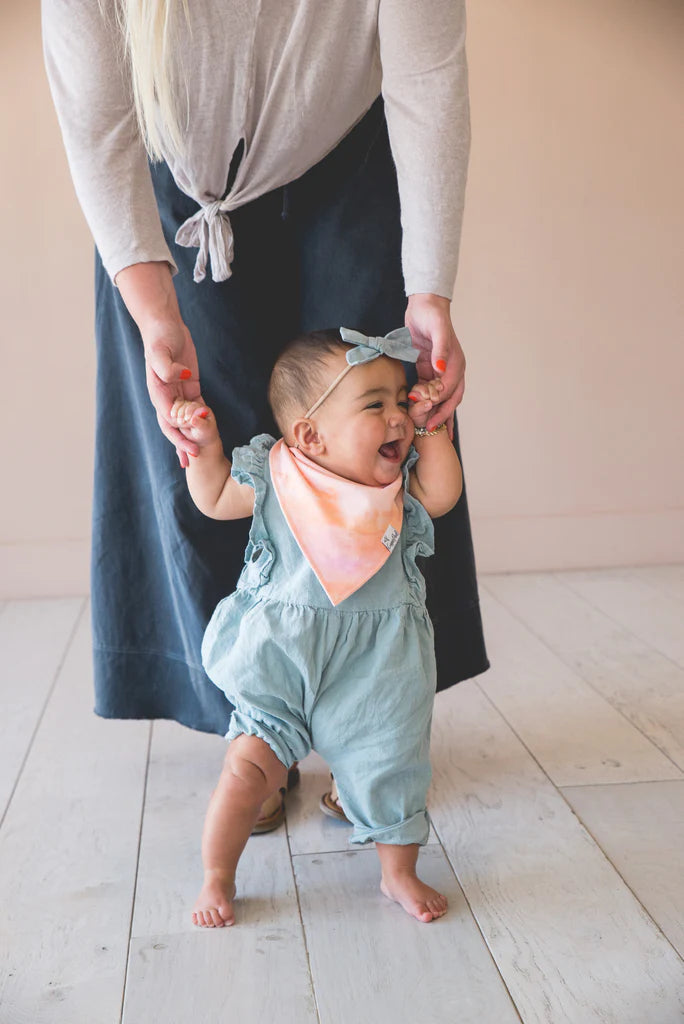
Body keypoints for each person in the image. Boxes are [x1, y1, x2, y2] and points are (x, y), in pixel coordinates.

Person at [42, 0, 489, 828]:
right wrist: (153, 315)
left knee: (377, 423)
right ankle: (257, 730)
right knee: (205, 430)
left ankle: (372, 721)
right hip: (178, 170)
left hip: (347, 149)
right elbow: (98, 118)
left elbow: (427, 76)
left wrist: (429, 289)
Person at [169, 327, 462, 926]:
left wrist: (434, 427)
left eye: (400, 401)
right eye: (374, 404)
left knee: (393, 766)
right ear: (309, 435)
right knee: (246, 768)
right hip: (281, 662)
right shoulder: (279, 477)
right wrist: (202, 445)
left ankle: (397, 872)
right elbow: (216, 496)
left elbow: (444, 495)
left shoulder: (400, 486)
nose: (397, 417)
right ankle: (217, 876)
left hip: (378, 668)